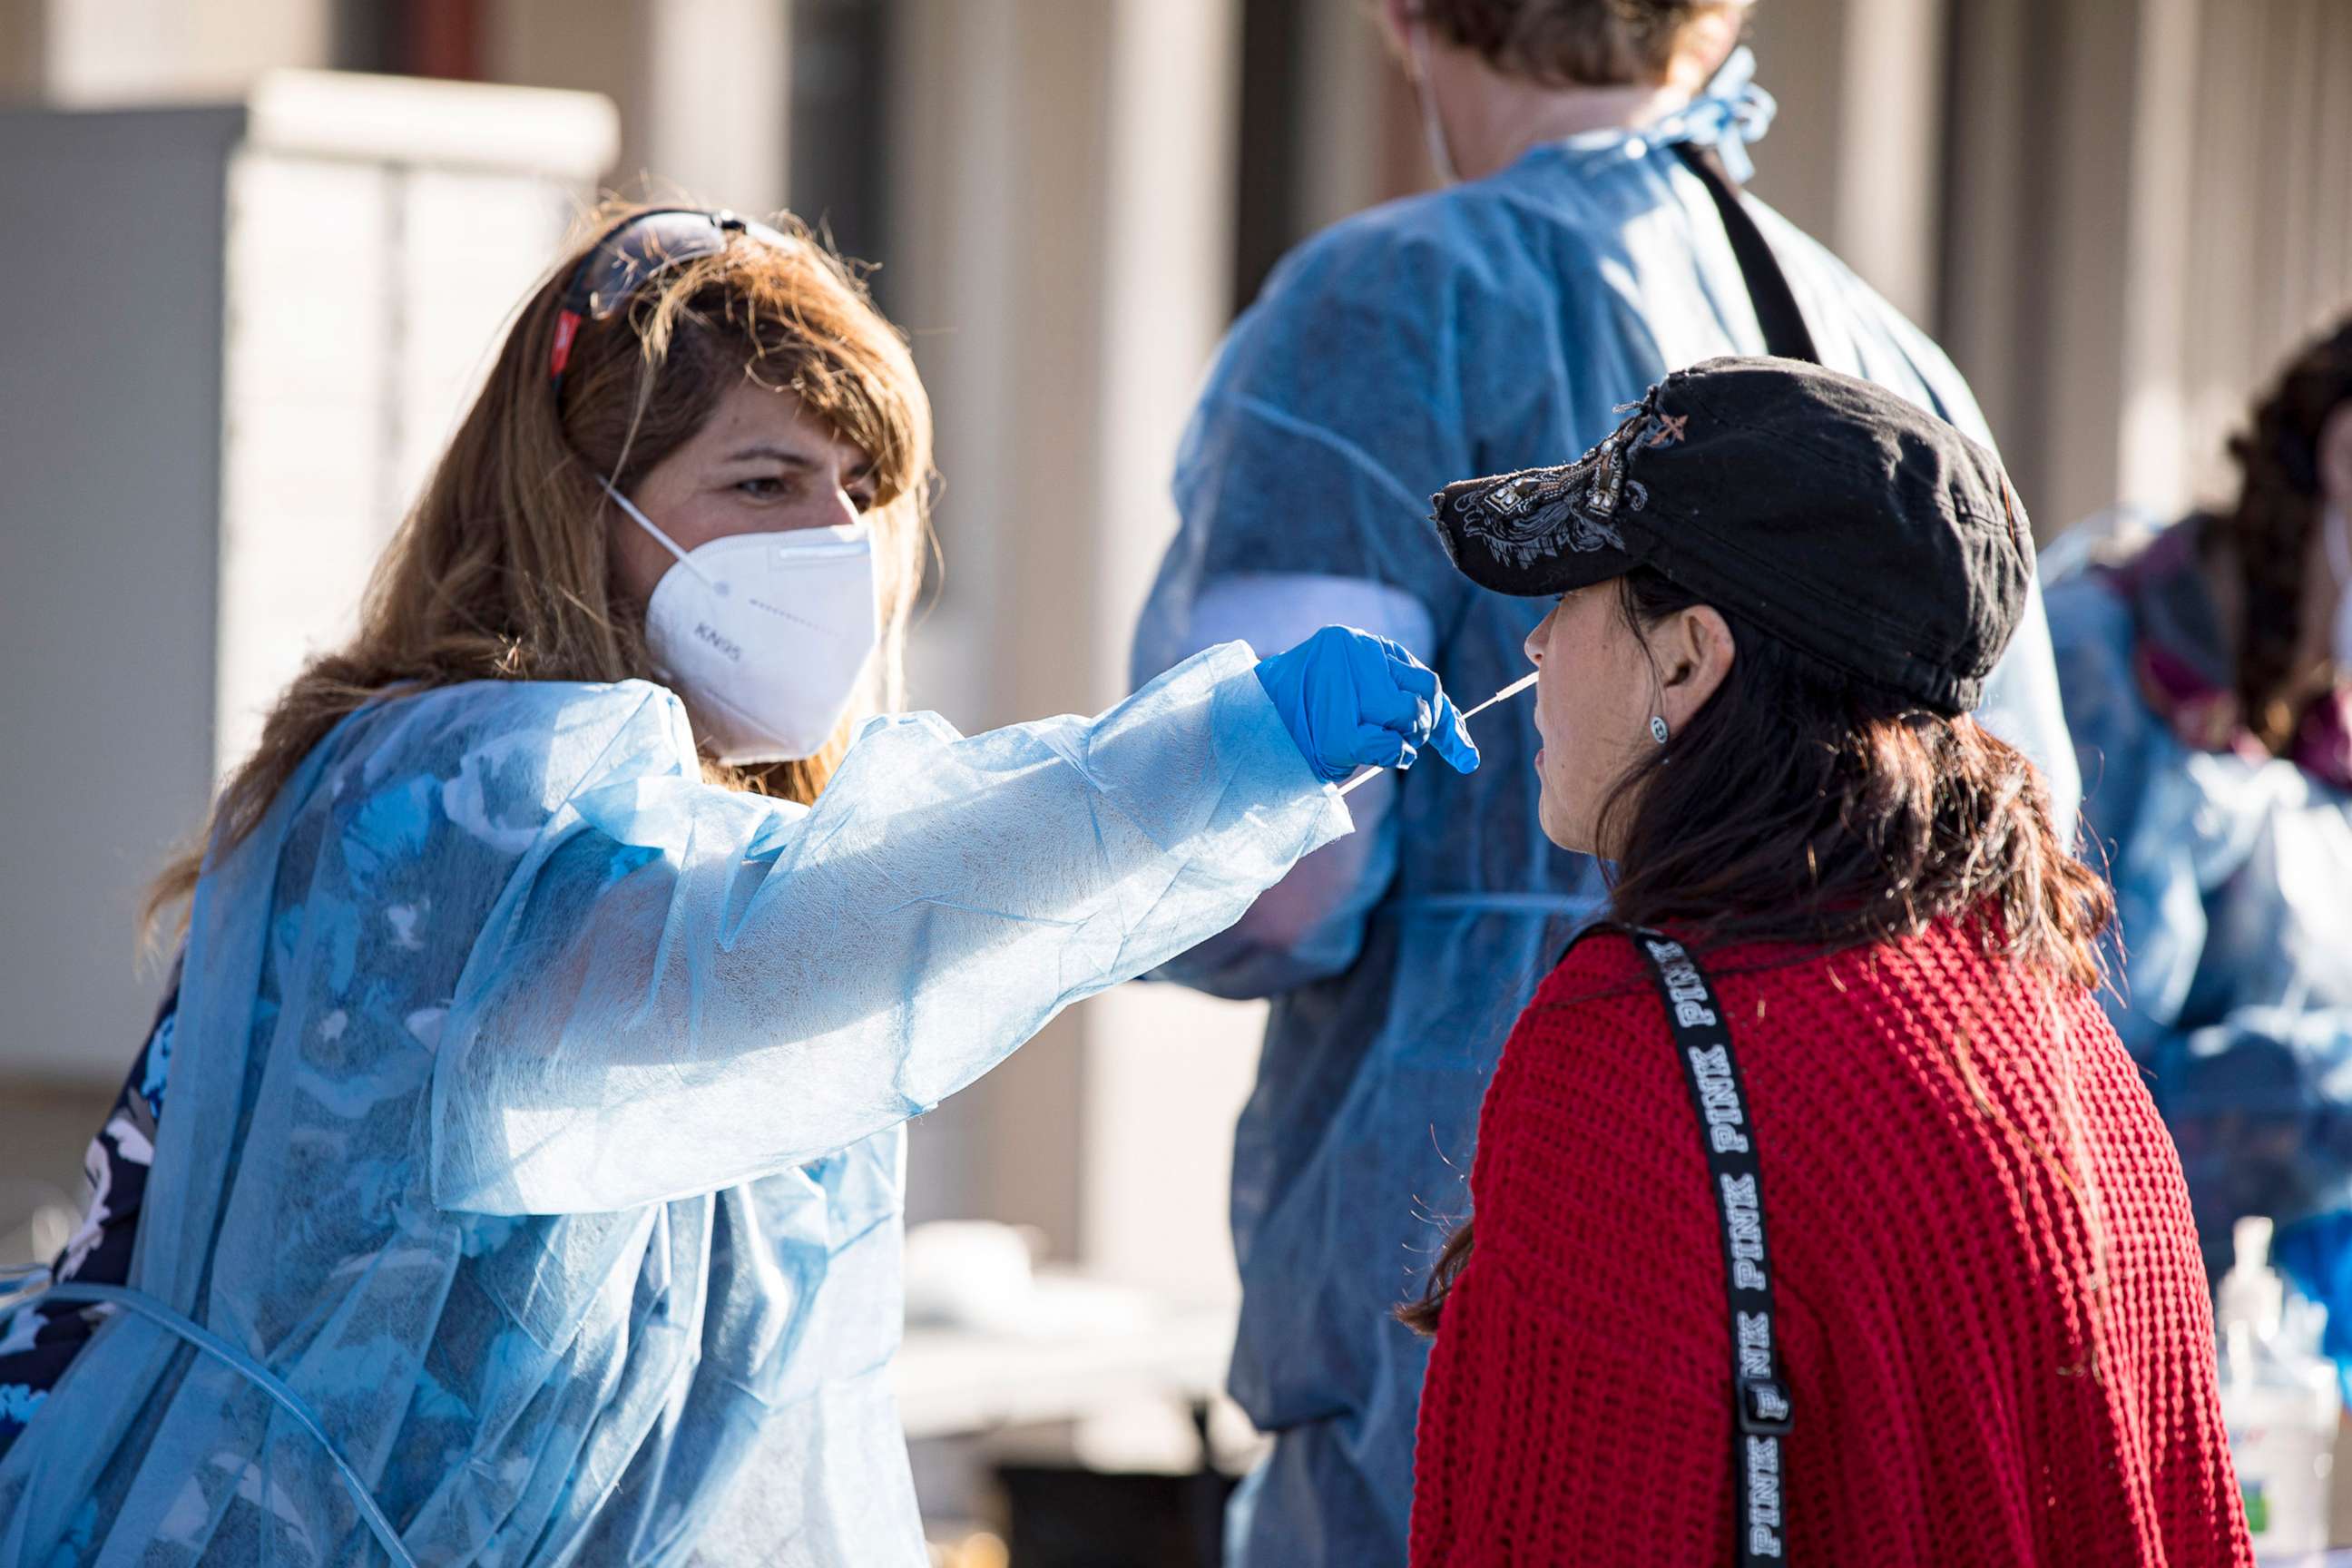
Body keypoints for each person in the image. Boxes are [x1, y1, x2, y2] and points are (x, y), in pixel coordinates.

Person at [0, 205, 1479, 1565]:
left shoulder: (707, 811)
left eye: (859, 489)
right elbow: (753, 953)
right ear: (575, 508)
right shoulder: (447, 793)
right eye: (763, 480)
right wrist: (1205, 760)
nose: (831, 541)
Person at [1127, 2, 2081, 1558]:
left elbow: (1269, 878)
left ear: (1407, 17)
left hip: (1452, 1344)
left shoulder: (1384, 302)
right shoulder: (1896, 361)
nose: (1548, 638)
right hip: (1848, 1344)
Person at [1404, 358, 2249, 1566]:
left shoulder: (1637, 1049)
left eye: (1573, 590)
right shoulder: (2062, 1030)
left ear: (1690, 659)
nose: (1535, 641)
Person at [2042, 317, 2352, 1346]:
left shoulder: (2314, 730)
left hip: (2238, 1354)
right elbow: (2058, 1095)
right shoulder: (2100, 666)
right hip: (2079, 1330)